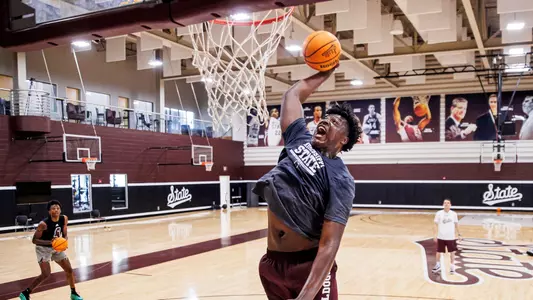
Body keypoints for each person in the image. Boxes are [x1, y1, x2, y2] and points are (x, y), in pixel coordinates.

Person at [252, 66, 361, 300]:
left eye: (335, 123)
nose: (326, 122)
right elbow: (291, 96)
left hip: (308, 267)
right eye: (326, 118)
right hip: (272, 263)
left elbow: (330, 244)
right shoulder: (298, 138)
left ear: (344, 140)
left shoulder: (341, 178)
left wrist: (306, 295)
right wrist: (325, 73)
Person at [19, 200, 83, 300]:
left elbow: (65, 234)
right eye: (53, 208)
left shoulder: (64, 218)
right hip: (43, 249)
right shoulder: (43, 224)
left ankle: (73, 293)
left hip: (56, 248)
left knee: (69, 269)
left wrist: (64, 242)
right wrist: (51, 243)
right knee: (46, 274)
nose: (56, 210)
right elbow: (34, 240)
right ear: (49, 211)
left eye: (58, 208)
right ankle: (25, 293)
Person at [432, 199, 462, 275]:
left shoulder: (454, 214)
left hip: (451, 237)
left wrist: (459, 234)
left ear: (450, 205)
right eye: (445, 203)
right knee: (438, 251)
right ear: (443, 204)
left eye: (448, 203)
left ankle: (452, 266)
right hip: (441, 236)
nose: (446, 204)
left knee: (452, 252)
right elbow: (435, 224)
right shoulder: (439, 213)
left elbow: (456, 224)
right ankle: (438, 265)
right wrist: (435, 234)